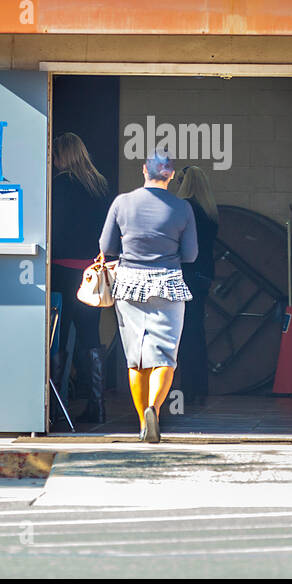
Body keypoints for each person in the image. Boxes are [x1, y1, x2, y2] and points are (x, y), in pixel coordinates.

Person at [99, 152, 197, 443]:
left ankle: (143, 421)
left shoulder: (122, 202)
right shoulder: (182, 208)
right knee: (165, 354)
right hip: (167, 283)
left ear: (144, 170)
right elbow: (191, 255)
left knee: (136, 358)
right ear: (170, 175)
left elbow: (106, 245)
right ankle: (155, 407)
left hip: (129, 283)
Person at [49, 132, 111, 426]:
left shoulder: (61, 185)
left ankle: (53, 407)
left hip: (62, 271)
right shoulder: (99, 185)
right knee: (90, 337)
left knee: (57, 337)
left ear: (63, 155)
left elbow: (56, 230)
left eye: (55, 154)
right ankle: (97, 404)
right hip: (90, 273)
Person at [174, 165, 219, 408]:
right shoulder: (210, 211)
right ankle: (200, 387)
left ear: (185, 182)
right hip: (204, 275)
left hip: (186, 273)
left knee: (184, 333)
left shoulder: (185, 208)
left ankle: (187, 388)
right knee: (196, 331)